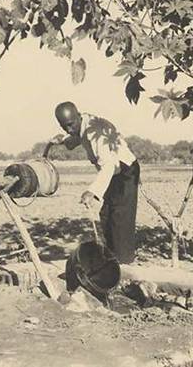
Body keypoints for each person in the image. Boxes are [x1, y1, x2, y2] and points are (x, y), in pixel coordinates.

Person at [45, 102, 140, 264]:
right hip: (114, 171)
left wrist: (92, 191)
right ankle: (113, 257)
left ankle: (124, 262)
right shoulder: (83, 125)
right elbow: (75, 139)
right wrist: (62, 141)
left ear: (78, 116)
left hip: (124, 170)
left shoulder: (95, 132)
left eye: (70, 125)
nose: (68, 130)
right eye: (63, 127)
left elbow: (109, 165)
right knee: (106, 214)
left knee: (120, 216)